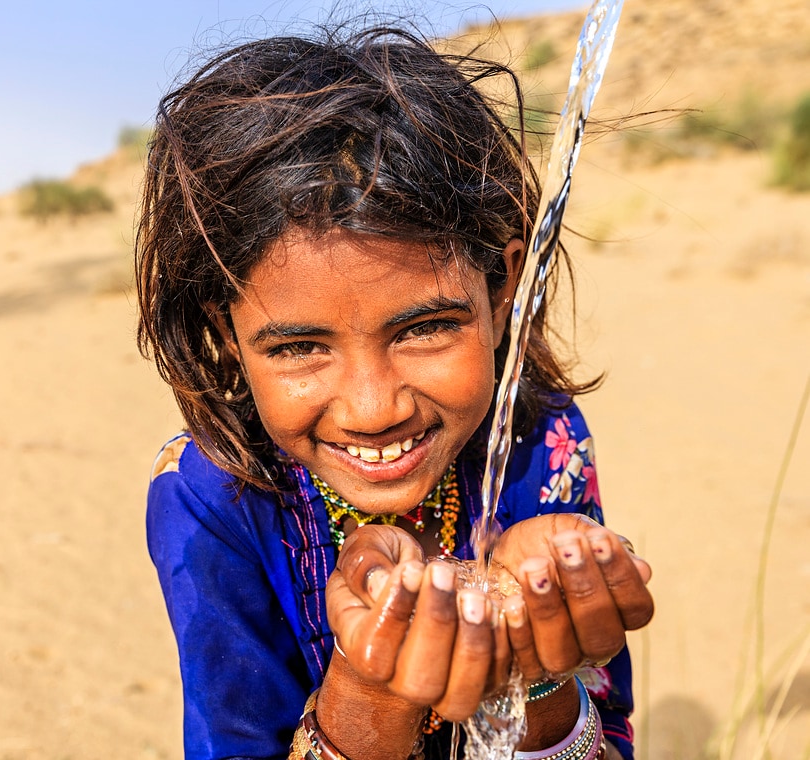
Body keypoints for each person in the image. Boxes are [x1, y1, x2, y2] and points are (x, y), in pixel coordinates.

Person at [136, 22, 654, 760]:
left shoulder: (540, 439)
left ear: (502, 287)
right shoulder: (214, 496)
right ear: (228, 331)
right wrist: (370, 692)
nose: (375, 409)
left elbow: (607, 736)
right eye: (299, 347)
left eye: (425, 329)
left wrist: (537, 670)